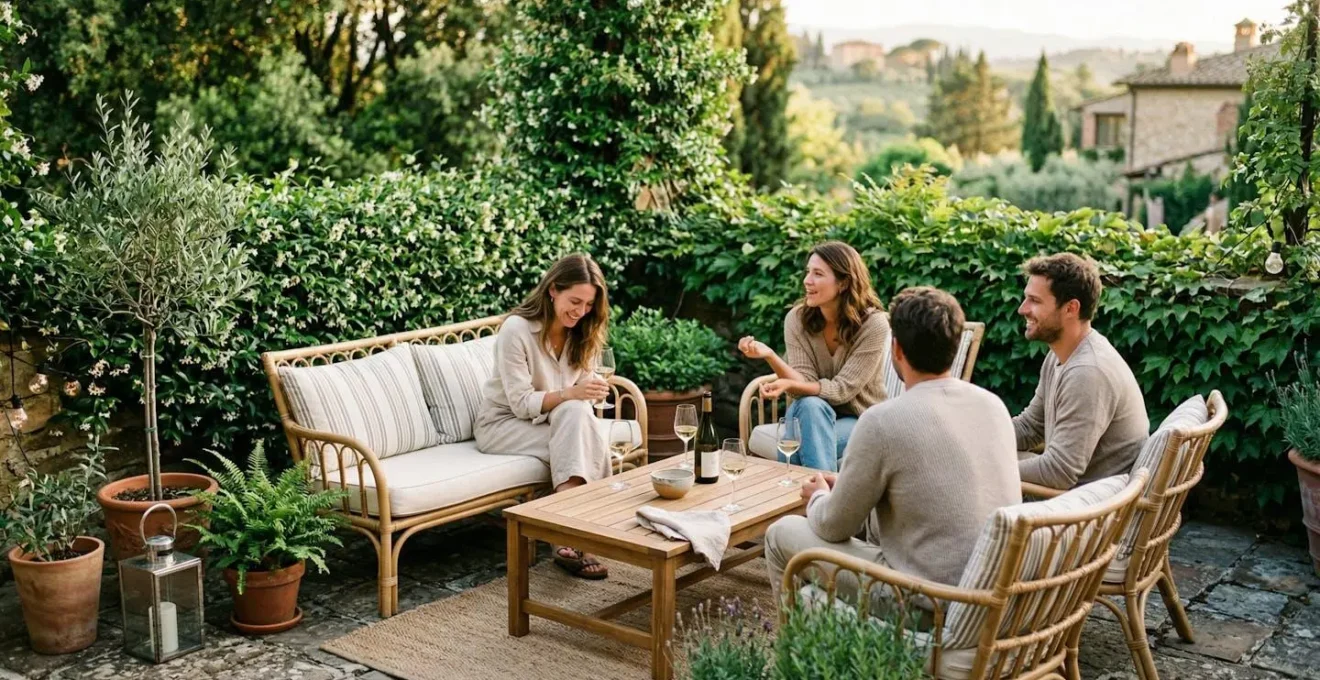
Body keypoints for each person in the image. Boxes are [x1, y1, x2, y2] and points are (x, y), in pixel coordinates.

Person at [764, 287, 1021, 602]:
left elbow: (833, 527)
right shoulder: (992, 406)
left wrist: (818, 496)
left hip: (925, 602)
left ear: (896, 350)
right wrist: (843, 485)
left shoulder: (883, 420)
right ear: (955, 347)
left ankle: (801, 643)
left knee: (781, 533)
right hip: (990, 593)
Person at [475, 253, 613, 579]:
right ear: (553, 289)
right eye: (574, 301)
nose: (580, 312)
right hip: (504, 425)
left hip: (558, 421)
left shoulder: (583, 332)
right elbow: (522, 404)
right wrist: (572, 394)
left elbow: (579, 396)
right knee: (578, 423)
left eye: (588, 305)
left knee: (578, 418)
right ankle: (586, 531)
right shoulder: (517, 330)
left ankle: (566, 528)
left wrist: (588, 392)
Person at [737, 241, 891, 472]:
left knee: (801, 438)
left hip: (861, 419)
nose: (807, 280)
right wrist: (770, 355)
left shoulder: (873, 324)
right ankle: (825, 504)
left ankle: (808, 503)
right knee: (810, 406)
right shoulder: (796, 319)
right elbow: (802, 383)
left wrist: (790, 383)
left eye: (818, 274)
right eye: (808, 272)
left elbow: (842, 390)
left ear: (844, 283)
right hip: (811, 414)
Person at [1014, 253, 1149, 490]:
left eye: (1034, 301)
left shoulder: (1088, 372)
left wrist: (986, 465)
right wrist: (978, 437)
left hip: (1082, 512)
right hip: (1066, 496)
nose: (1022, 309)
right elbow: (1031, 427)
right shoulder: (1060, 354)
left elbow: (1058, 472)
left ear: (1070, 308)